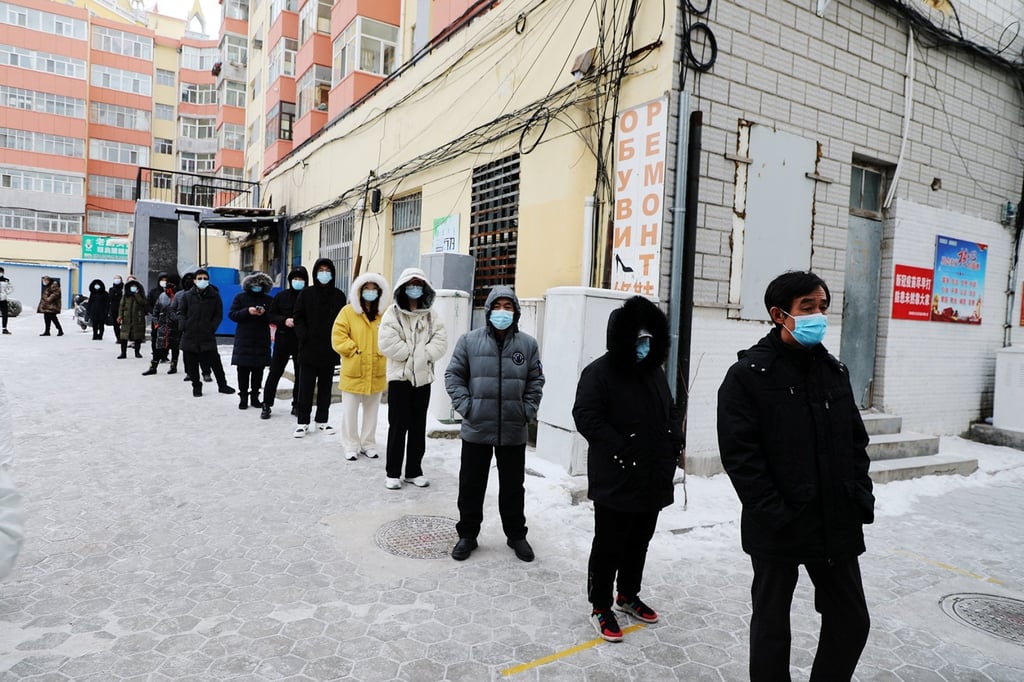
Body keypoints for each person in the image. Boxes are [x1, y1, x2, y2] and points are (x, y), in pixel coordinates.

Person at [717, 271, 874, 681]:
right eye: (808, 307)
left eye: (822, 307)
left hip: (835, 518)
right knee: (771, 628)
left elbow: (855, 442)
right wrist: (774, 511)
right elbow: (741, 457)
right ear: (778, 314)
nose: (818, 316)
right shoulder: (748, 376)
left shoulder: (833, 370)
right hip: (779, 525)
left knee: (851, 621)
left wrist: (859, 495)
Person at [571, 296, 684, 642]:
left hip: (652, 476)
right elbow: (585, 416)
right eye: (638, 339)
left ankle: (628, 595)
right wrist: (621, 449)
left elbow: (669, 410)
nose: (644, 345)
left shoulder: (654, 373)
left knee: (639, 542)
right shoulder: (599, 373)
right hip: (616, 478)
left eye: (649, 339)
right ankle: (601, 605)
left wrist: (673, 441)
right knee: (609, 544)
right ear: (622, 338)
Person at [445, 286, 544, 562]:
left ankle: (516, 535)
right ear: (489, 310)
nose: (503, 312)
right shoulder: (469, 341)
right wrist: (467, 407)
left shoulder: (527, 345)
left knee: (513, 486)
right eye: (498, 306)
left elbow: (536, 380)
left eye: (508, 306)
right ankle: (467, 535)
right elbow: (453, 376)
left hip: (513, 428)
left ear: (516, 311)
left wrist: (527, 410)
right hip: (477, 427)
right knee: (471, 484)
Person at [378, 268, 448, 489]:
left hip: (423, 379)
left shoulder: (431, 315)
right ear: (403, 287)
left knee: (418, 426)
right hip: (400, 378)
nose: (414, 288)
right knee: (398, 425)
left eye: (418, 284)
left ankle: (414, 470)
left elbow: (440, 341)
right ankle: (393, 472)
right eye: (411, 284)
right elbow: (387, 342)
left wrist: (423, 356)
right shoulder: (393, 313)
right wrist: (414, 356)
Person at [331, 272, 389, 460]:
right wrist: (353, 350)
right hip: (354, 369)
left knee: (372, 411)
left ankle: (368, 443)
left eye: (374, 289)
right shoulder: (348, 311)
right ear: (359, 291)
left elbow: (390, 336)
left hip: (377, 368)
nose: (370, 292)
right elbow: (338, 336)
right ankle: (350, 444)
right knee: (350, 411)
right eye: (366, 288)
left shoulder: (384, 314)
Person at [292, 258, 346, 437]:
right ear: (315, 273)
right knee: (305, 388)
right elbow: (298, 317)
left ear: (332, 273)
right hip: (308, 349)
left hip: (329, 350)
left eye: (327, 270)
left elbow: (342, 321)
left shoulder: (338, 295)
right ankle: (302, 421)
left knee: (325, 387)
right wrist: (303, 335)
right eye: (321, 270)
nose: (324, 273)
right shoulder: (306, 294)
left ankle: (322, 420)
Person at [177, 268, 235, 397]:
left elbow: (218, 315)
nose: (202, 281)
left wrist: (211, 327)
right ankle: (196, 386)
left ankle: (222, 385)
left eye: (205, 278)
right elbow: (181, 312)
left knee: (215, 362)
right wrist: (184, 325)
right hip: (190, 334)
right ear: (194, 280)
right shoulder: (187, 296)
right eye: (199, 278)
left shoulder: (214, 296)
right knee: (192, 364)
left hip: (207, 334)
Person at [261, 266, 309, 420]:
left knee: (301, 375)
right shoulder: (281, 296)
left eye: (301, 279)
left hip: (301, 341)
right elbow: (271, 315)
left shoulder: (309, 297)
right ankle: (266, 404)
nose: (298, 282)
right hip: (283, 340)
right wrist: (284, 321)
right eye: (295, 279)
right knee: (275, 372)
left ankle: (297, 404)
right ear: (290, 280)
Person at [228, 272, 275, 410]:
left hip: (261, 340)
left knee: (258, 371)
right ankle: (243, 397)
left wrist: (264, 313)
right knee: (242, 370)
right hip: (244, 339)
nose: (256, 287)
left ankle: (255, 397)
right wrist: (247, 311)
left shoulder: (269, 299)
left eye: (259, 284)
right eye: (254, 284)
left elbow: (273, 317)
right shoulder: (240, 298)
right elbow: (232, 314)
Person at [143, 282, 180, 375]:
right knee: (159, 347)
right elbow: (155, 311)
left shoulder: (179, 296)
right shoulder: (162, 297)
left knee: (175, 347)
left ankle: (173, 366)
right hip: (163, 326)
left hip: (175, 326)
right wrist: (156, 323)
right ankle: (153, 367)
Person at [117, 278, 147, 358]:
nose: (133, 288)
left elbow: (143, 303)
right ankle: (123, 353)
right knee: (124, 336)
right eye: (131, 286)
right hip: (126, 318)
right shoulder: (125, 296)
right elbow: (121, 306)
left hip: (138, 319)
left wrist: (137, 295)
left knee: (138, 336)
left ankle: (137, 352)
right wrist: (120, 315)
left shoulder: (141, 295)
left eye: (134, 286)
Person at [108, 275, 124, 343]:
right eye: (115, 279)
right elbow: (111, 298)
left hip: (123, 308)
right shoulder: (111, 289)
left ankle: (124, 337)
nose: (116, 280)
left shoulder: (124, 289)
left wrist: (117, 295)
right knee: (116, 325)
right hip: (114, 309)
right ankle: (118, 338)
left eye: (118, 279)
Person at [0, 267, 11, 335]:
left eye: (1, 272)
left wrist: (5, 293)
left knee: (5, 314)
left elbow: (11, 288)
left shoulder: (6, 280)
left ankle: (4, 328)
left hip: (3, 299)